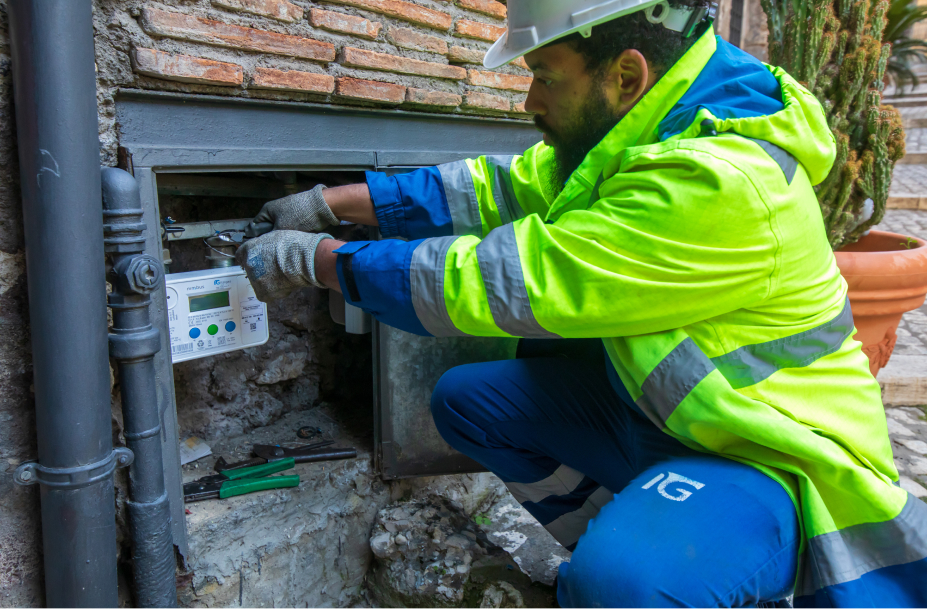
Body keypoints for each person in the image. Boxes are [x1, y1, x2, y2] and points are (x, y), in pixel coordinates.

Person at [236, 0, 927, 605]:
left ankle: (662, 574)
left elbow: (510, 280)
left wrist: (317, 262)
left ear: (625, 75)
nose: (529, 100)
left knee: (620, 583)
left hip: (770, 453)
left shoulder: (721, 182)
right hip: (680, 419)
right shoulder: (655, 127)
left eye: (544, 75)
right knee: (468, 402)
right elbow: (501, 187)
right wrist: (332, 202)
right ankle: (630, 540)